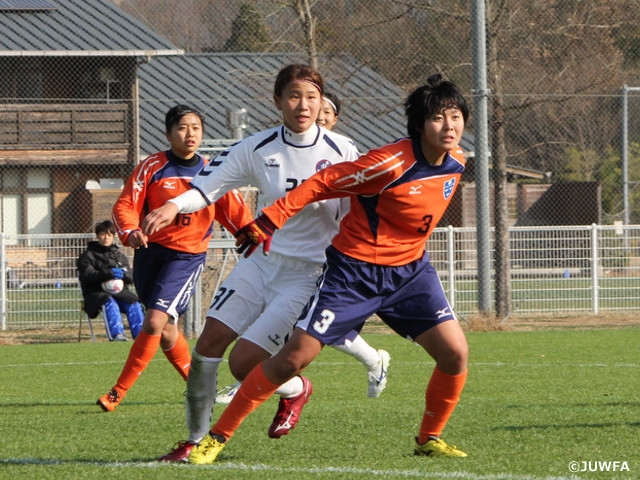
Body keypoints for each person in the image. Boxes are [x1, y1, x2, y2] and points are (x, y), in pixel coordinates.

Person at [180, 73, 470, 464]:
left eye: (454, 116)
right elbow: (323, 182)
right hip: (354, 273)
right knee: (293, 358)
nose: (449, 126)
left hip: (410, 273)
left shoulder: (457, 163)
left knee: (455, 354)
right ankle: (215, 438)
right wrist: (269, 220)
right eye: (438, 118)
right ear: (420, 124)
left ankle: (428, 438)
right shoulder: (387, 163)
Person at [141, 64, 390, 463]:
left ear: (322, 102)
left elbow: (361, 211)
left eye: (311, 97)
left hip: (306, 276)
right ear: (277, 102)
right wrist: (172, 205)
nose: (303, 105)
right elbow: (206, 187)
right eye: (294, 96)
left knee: (243, 365)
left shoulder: (343, 150)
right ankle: (194, 440)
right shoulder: (258, 148)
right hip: (261, 263)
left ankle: (294, 389)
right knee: (207, 347)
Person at [214, 90, 390, 406]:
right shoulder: (276, 149)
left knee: (310, 330)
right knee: (307, 329)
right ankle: (371, 362)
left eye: (326, 111)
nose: (317, 113)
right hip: (270, 260)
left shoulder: (345, 152)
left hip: (320, 264)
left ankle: (265, 383)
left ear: (334, 119)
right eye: (312, 107)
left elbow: (361, 202)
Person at [96, 104, 251, 412]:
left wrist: (255, 240)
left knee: (154, 321)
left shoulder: (213, 172)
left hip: (186, 258)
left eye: (195, 127)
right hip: (149, 254)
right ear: (168, 134)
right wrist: (129, 231)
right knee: (167, 331)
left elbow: (239, 216)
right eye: (182, 127)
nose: (190, 133)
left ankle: (117, 392)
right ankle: (202, 388)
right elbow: (125, 205)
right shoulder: (151, 168)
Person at [77, 220, 144, 341]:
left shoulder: (119, 256)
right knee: (109, 301)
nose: (106, 237)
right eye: (102, 234)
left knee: (134, 302)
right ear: (97, 236)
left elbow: (130, 277)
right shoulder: (88, 256)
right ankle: (117, 335)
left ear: (113, 236)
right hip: (96, 293)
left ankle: (140, 336)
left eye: (109, 234)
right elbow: (88, 275)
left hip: (120, 293)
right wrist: (109, 274)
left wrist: (124, 275)